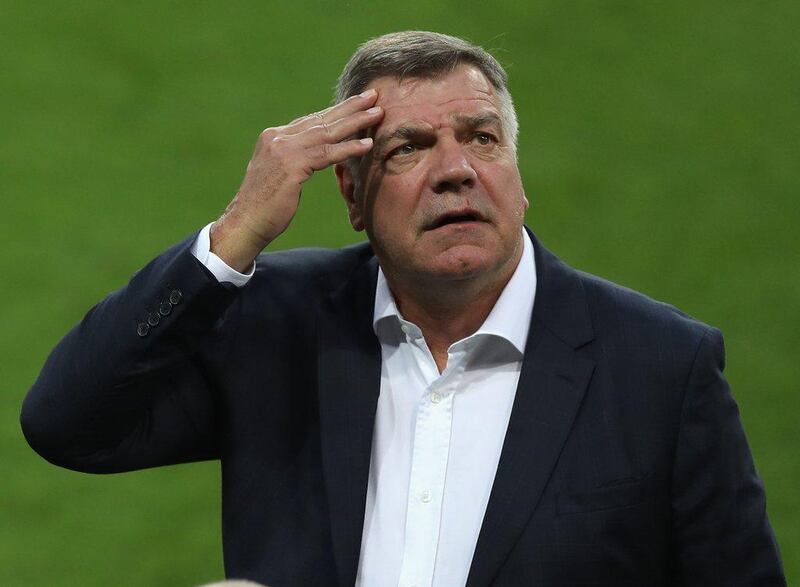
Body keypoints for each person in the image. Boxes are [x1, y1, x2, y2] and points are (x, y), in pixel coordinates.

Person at [21, 31, 784, 586]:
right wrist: (235, 235)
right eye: (410, 148)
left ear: (518, 176)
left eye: (482, 139)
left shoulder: (659, 366)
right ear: (352, 196)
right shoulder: (281, 324)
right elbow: (68, 421)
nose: (456, 170)